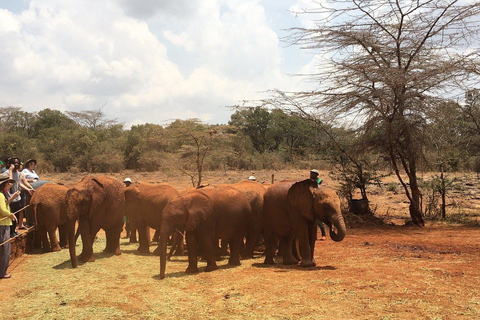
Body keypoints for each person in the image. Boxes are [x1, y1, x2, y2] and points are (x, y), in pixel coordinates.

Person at [0, 173, 19, 279]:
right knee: (5, 248)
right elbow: (2, 210)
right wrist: (10, 214)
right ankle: (2, 272)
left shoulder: (2, 195)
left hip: (3, 224)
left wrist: (12, 198)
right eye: (9, 183)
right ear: (5, 184)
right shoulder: (0, 195)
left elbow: (5, 205)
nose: (10, 185)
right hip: (3, 224)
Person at [310, 169, 327, 240]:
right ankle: (314, 235)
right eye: (310, 173)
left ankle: (324, 234)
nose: (310, 175)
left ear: (316, 175)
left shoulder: (320, 181)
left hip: (318, 202)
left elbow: (320, 189)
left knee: (318, 219)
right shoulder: (309, 181)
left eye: (312, 174)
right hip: (310, 201)